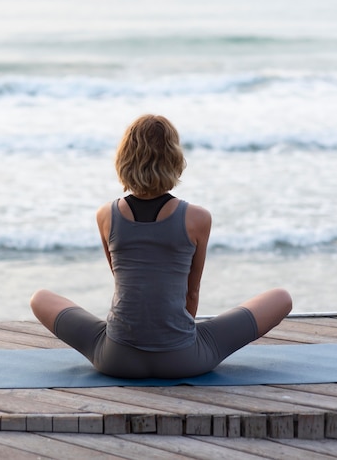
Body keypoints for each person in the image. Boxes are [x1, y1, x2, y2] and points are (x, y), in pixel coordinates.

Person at [30, 114, 292, 378]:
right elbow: (192, 293)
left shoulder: (105, 215)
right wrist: (174, 338)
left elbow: (123, 282)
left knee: (40, 298)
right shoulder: (197, 218)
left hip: (116, 359)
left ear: (124, 159)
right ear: (174, 159)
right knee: (281, 298)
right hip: (184, 360)